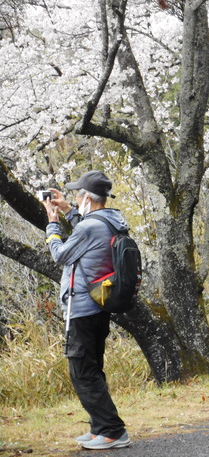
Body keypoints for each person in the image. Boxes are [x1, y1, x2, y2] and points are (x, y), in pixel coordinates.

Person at [43, 170, 130, 450]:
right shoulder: (110, 220)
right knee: (92, 367)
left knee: (81, 370)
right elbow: (88, 230)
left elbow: (60, 255)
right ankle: (99, 428)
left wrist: (53, 223)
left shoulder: (90, 226)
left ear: (88, 198)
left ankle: (112, 431)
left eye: (78, 195)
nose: (75, 197)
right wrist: (69, 210)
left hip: (81, 306)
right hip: (99, 304)